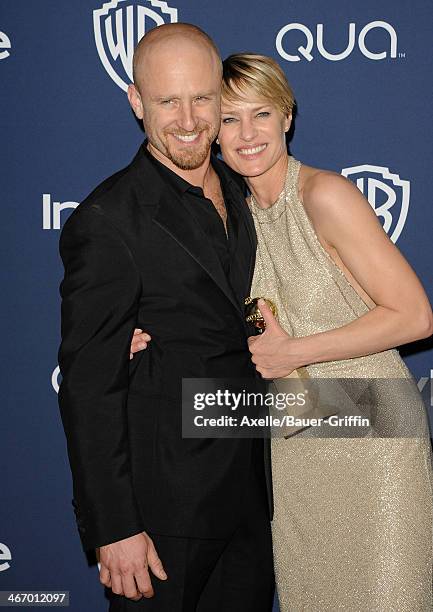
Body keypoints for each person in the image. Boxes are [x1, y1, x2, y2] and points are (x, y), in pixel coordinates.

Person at [131, 53, 433, 610]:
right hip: (296, 442)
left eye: (262, 115)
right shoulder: (229, 214)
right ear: (212, 128)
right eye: (229, 118)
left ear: (288, 118)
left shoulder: (325, 196)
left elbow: (415, 316)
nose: (246, 135)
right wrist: (141, 330)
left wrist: (295, 350)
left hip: (373, 437)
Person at [58, 28, 274, 612]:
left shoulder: (247, 187)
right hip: (162, 514)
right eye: (166, 101)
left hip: (253, 498)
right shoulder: (108, 221)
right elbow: (87, 385)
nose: (187, 119)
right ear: (136, 102)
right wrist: (114, 527)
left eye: (202, 99)